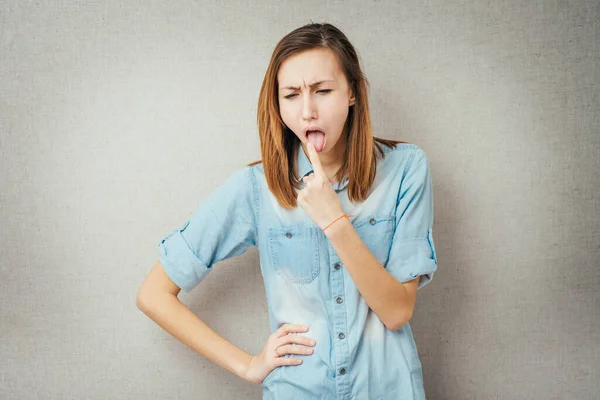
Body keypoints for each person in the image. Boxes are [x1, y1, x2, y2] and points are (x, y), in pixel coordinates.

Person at [136, 22, 439, 400]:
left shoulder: (406, 169)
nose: (308, 111)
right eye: (292, 95)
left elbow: (396, 312)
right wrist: (248, 364)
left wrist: (334, 221)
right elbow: (153, 294)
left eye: (323, 91)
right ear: (277, 106)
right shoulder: (257, 187)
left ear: (352, 93)